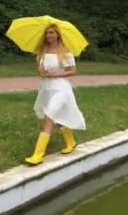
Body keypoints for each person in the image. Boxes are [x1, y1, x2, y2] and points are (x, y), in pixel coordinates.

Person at [25, 24, 86, 165]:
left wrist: (56, 74)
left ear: (58, 34)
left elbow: (72, 71)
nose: (48, 36)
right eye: (47, 33)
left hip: (61, 89)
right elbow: (40, 69)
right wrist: (41, 71)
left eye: (51, 33)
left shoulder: (65, 52)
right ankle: (71, 142)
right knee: (58, 117)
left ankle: (38, 155)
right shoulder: (41, 52)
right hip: (46, 88)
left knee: (49, 118)